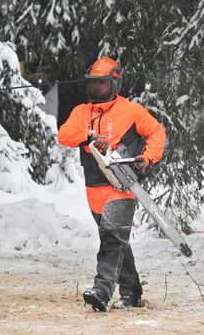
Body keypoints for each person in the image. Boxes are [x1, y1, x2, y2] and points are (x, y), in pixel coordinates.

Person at [57, 57, 166, 312]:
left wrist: (147, 158)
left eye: (101, 84)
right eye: (93, 84)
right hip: (94, 187)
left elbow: (156, 132)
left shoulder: (131, 110)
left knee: (112, 239)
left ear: (115, 83)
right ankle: (132, 293)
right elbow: (64, 135)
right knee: (117, 243)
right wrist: (89, 136)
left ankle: (101, 290)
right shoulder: (81, 112)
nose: (96, 89)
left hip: (123, 185)